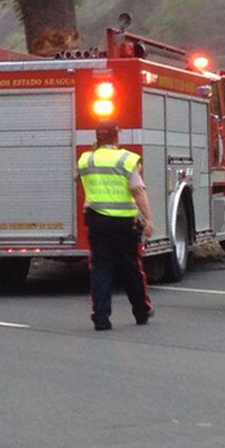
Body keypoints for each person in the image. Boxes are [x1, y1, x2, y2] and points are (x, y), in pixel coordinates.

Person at [77, 121, 154, 331]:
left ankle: (101, 318)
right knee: (131, 268)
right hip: (124, 223)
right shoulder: (126, 159)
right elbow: (137, 190)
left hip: (97, 221)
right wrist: (148, 219)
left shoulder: (86, 159)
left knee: (100, 268)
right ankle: (141, 311)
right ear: (116, 137)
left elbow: (77, 178)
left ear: (97, 137)